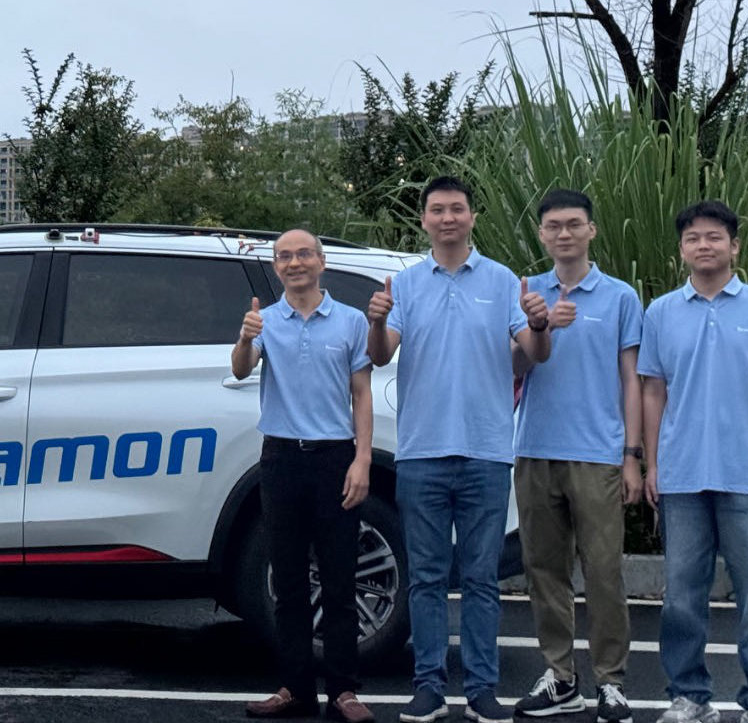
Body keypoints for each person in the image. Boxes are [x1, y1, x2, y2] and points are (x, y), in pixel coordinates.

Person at [366, 175, 552, 723]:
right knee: (425, 578)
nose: (447, 218)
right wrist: (376, 322)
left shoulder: (502, 281)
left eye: (457, 209)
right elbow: (381, 355)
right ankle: (427, 686)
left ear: (472, 216)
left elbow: (534, 352)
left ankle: (481, 690)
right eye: (437, 210)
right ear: (424, 219)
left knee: (480, 580)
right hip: (421, 451)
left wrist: (539, 324)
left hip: (486, 451)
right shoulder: (406, 284)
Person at [640, 201, 748, 723]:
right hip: (683, 474)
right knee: (681, 596)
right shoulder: (661, 312)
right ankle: (689, 695)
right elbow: (653, 392)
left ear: (734, 246)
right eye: (693, 238)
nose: (703, 245)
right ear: (682, 249)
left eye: (714, 237)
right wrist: (651, 464)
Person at [510, 189, 643, 723]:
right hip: (535, 447)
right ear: (541, 234)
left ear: (591, 230)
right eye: (553, 226)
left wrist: (632, 454)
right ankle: (560, 676)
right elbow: (513, 367)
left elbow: (632, 379)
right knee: (544, 569)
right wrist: (537, 327)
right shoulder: (525, 292)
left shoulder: (619, 297)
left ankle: (611, 680)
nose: (563, 233)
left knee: (604, 571)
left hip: (598, 452)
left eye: (573, 224)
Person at [233, 229, 376, 723]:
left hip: (335, 457)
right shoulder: (266, 320)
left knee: (339, 579)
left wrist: (362, 459)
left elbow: (361, 392)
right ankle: (294, 687)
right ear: (276, 266)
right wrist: (245, 337)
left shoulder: (351, 321)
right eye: (284, 256)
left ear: (321, 260)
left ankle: (344, 690)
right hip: (281, 458)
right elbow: (241, 369)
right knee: (289, 581)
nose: (294, 263)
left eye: (303, 254)